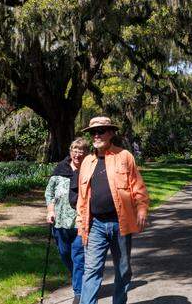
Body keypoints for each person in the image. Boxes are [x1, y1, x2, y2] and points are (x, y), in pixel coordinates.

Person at [76, 116, 150, 304]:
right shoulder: (86, 162)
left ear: (110, 133)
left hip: (120, 223)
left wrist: (142, 210)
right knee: (91, 270)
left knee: (123, 269)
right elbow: (82, 199)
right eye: (93, 132)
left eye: (101, 131)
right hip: (95, 225)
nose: (96, 135)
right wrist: (80, 223)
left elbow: (138, 187)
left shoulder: (124, 156)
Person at [45, 138, 89, 304]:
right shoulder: (60, 170)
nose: (78, 154)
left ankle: (79, 293)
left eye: (81, 151)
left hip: (80, 223)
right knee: (65, 255)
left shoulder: (87, 170)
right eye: (75, 151)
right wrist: (50, 211)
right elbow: (49, 193)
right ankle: (79, 277)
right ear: (70, 152)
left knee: (78, 256)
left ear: (85, 154)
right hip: (60, 222)